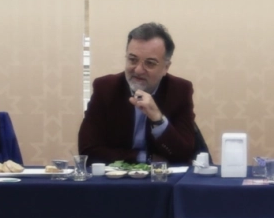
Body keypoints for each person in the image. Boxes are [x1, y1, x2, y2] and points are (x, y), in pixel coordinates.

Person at [78, 22, 197, 164]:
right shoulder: (105, 88)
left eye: (150, 63)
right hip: (116, 176)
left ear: (166, 67)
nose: (138, 70)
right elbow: (87, 151)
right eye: (133, 60)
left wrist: (158, 119)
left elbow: (184, 155)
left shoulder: (179, 91)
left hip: (162, 177)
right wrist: (144, 158)